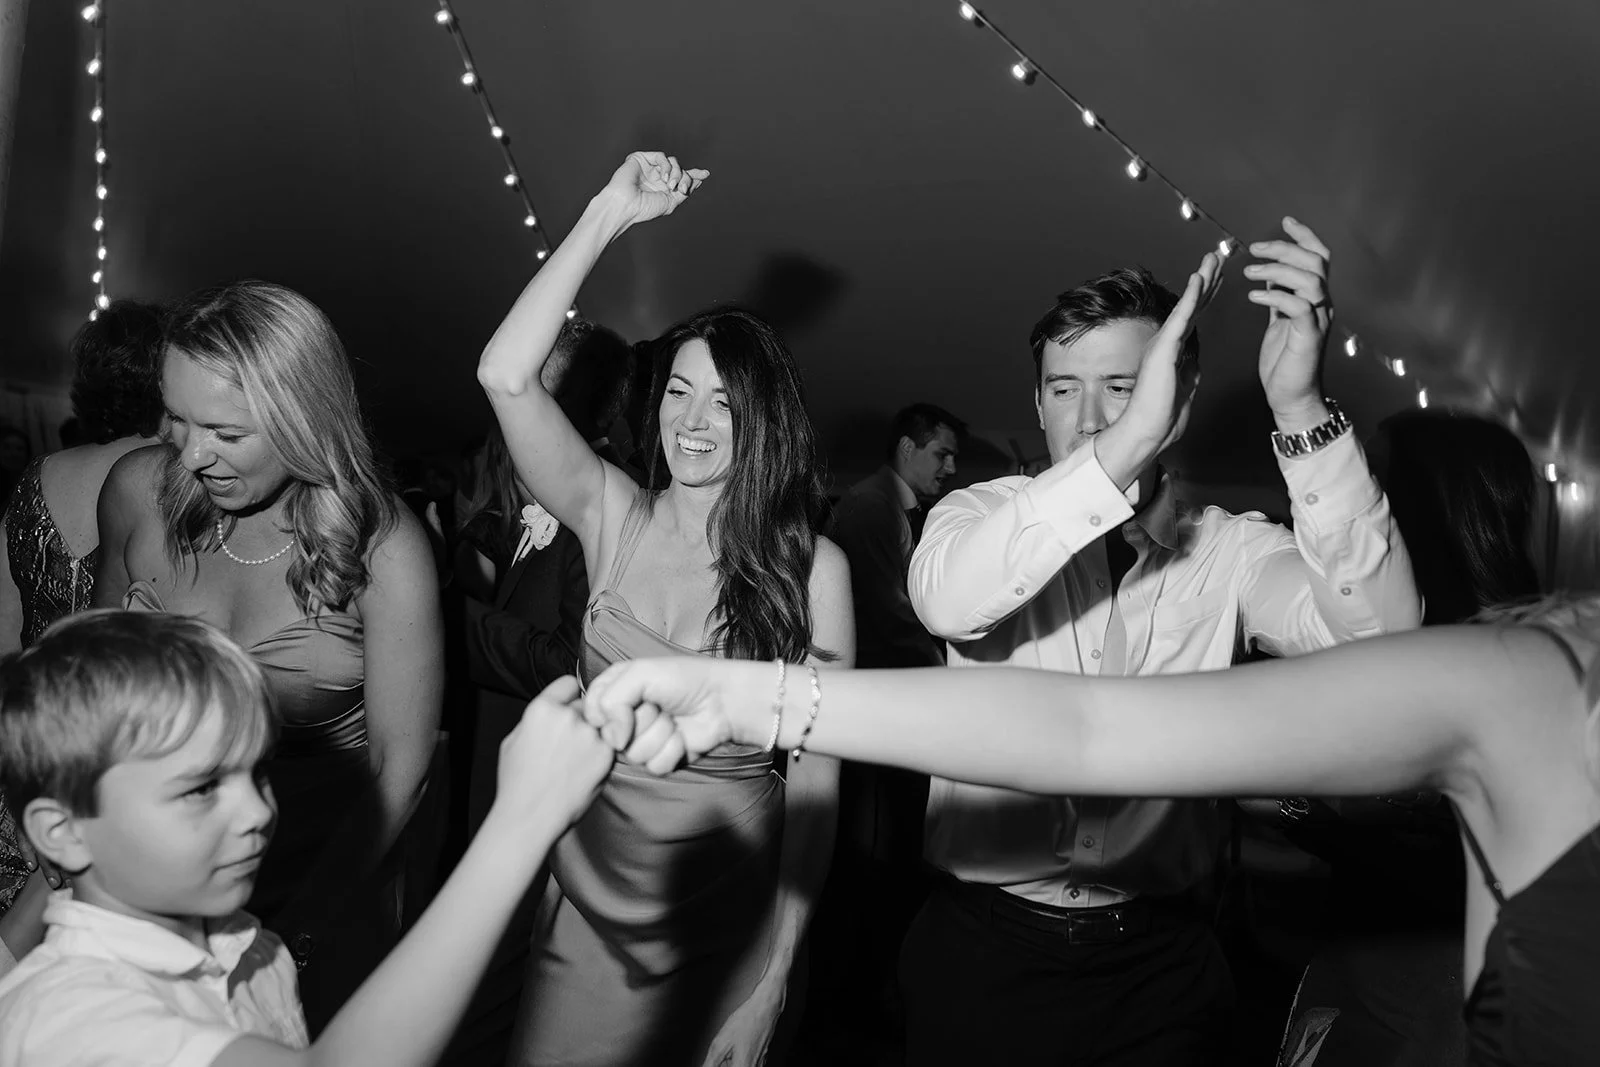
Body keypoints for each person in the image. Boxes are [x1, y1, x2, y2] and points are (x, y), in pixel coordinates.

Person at [580, 586, 1600, 1067]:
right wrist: (754, 696)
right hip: (985, 945)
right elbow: (1087, 725)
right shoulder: (1542, 688)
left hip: (1160, 957)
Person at [902, 222, 1421, 1065]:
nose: (1093, 417)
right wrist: (1123, 450)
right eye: (1064, 389)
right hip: (982, 950)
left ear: (1179, 394)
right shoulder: (976, 514)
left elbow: (1384, 636)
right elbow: (947, 602)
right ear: (1036, 403)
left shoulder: (1231, 548)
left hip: (1161, 965)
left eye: (1122, 386)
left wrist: (1298, 406)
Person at [477, 150, 853, 1067]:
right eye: (678, 392)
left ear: (762, 421)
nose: (692, 421)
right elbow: (505, 376)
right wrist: (608, 212)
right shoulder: (613, 514)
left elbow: (815, 789)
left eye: (723, 403)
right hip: (588, 921)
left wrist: (777, 978)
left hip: (728, 935)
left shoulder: (815, 572)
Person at [0, 609, 614, 1066]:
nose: (258, 811)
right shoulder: (70, 1016)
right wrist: (520, 822)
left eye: (258, 771)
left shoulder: (251, 945)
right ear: (64, 833)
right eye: (201, 789)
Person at [93, 281, 444, 1034]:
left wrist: (294, 939)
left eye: (223, 430)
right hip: (157, 881)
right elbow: (92, 701)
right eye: (176, 419)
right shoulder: (136, 493)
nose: (190, 453)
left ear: (302, 417)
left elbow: (400, 771)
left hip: (320, 884)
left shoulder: (387, 550)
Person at [1271, 409, 1542, 1067]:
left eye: (1374, 480)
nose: (1357, 502)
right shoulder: (1392, 629)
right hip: (1366, 954)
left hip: (1433, 988)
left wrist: (1306, 799)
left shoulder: (1496, 655)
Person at [440, 320, 633, 1067]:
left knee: (505, 976)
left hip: (535, 776)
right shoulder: (529, 488)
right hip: (489, 756)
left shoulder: (604, 507)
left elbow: (570, 660)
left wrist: (451, 618)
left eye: (542, 389)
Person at [0, 299, 166, 969]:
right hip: (121, 762)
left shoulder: (35, 480)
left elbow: (4, 638)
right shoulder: (179, 486)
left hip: (27, 746)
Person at [809, 402, 964, 1052]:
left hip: (884, 707)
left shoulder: (889, 509)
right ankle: (855, 1004)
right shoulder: (875, 508)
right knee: (874, 865)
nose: (951, 469)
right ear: (907, 448)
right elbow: (891, 615)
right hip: (874, 713)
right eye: (941, 454)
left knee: (880, 863)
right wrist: (954, 671)